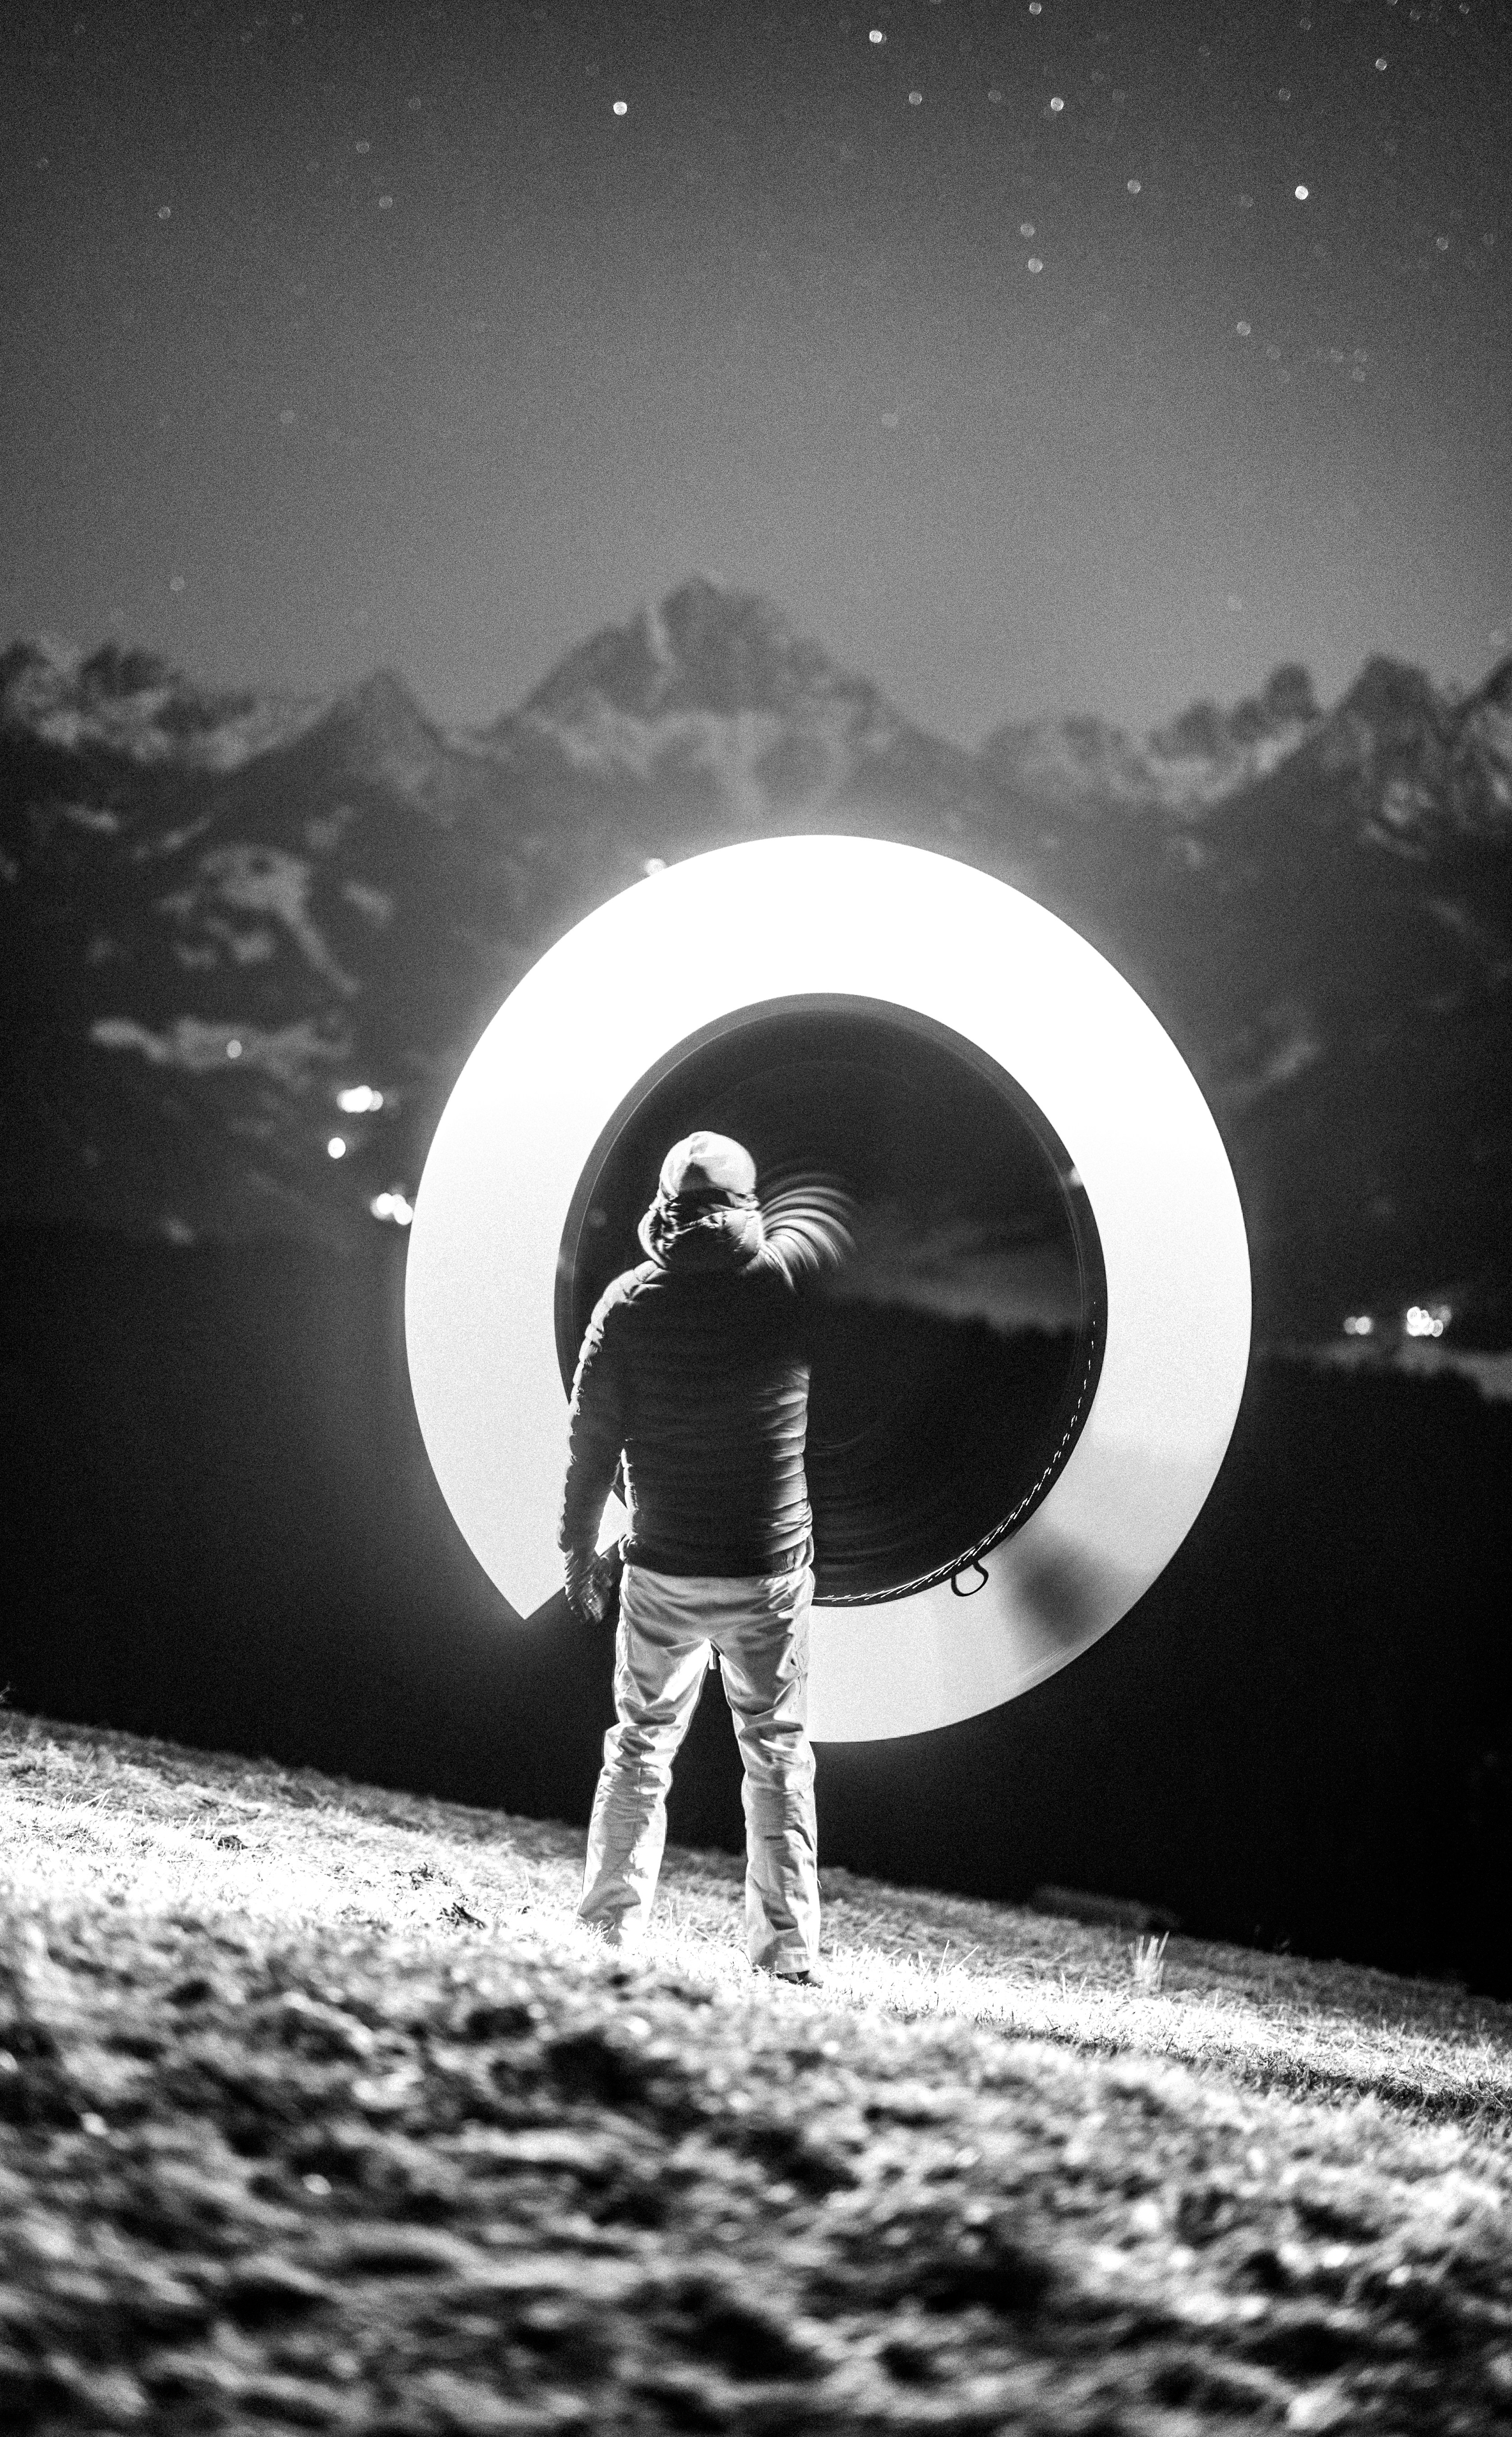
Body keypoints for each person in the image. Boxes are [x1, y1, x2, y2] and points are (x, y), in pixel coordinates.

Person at [558, 1130, 852, 1979]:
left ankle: (608, 1932)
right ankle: (788, 1955)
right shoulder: (789, 1286)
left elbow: (590, 1447)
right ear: (748, 1202)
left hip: (662, 1568)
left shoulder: (628, 1301)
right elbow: (832, 1238)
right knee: (779, 1753)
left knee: (640, 1746)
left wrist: (580, 1555)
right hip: (769, 1571)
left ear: (663, 1205)